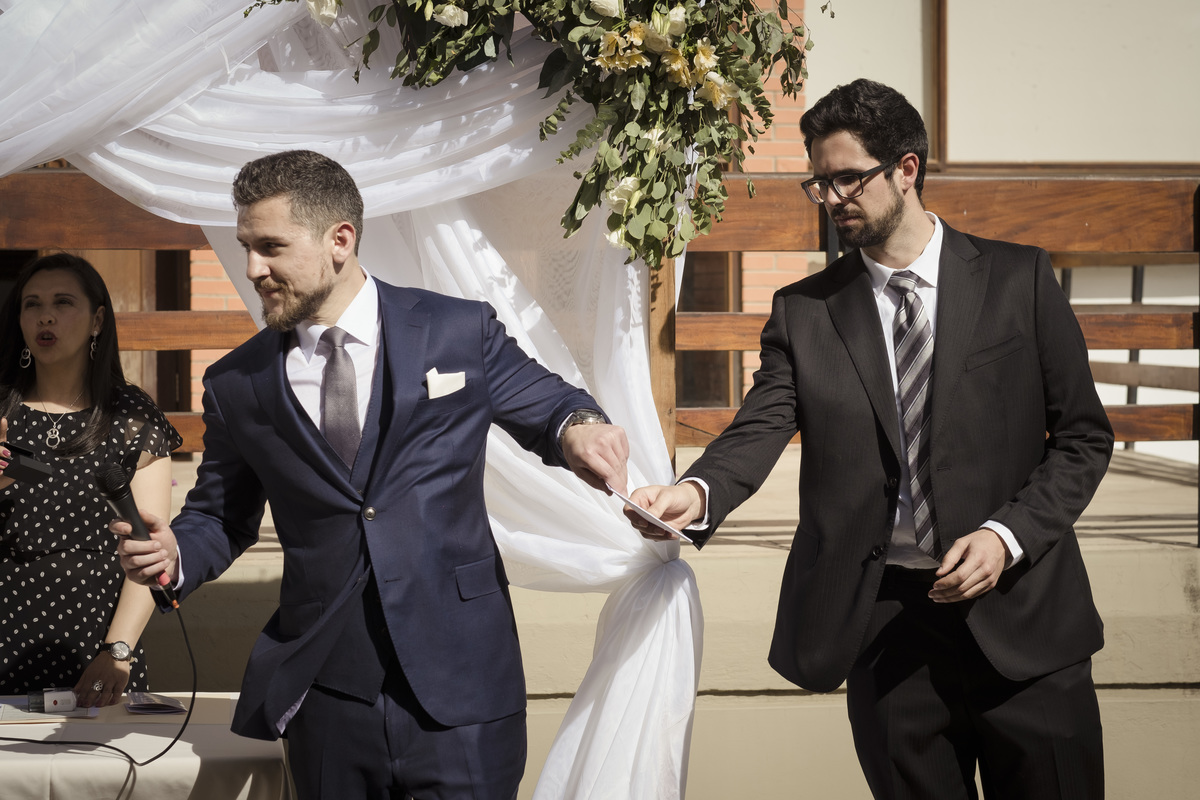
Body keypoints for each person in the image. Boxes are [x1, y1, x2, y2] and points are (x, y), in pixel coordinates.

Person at [629, 79, 1112, 799]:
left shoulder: (1021, 279)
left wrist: (1007, 535)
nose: (833, 199)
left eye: (849, 178)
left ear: (907, 169)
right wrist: (694, 492)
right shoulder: (805, 311)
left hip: (1025, 622)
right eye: (818, 184)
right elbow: (761, 424)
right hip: (887, 634)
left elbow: (1082, 439)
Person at [114, 150, 629, 799]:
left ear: (340, 240)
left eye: (271, 246)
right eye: (246, 247)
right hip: (327, 694)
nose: (252, 269)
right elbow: (220, 516)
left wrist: (581, 428)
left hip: (463, 687)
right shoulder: (237, 383)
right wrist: (174, 554)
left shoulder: (455, 331)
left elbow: (552, 404)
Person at [0, 253, 180, 707]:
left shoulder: (133, 416)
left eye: (63, 302)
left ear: (98, 319)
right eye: (32, 304)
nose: (45, 315)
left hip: (96, 640)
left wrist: (117, 650)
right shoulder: (2, 410)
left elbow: (147, 548)